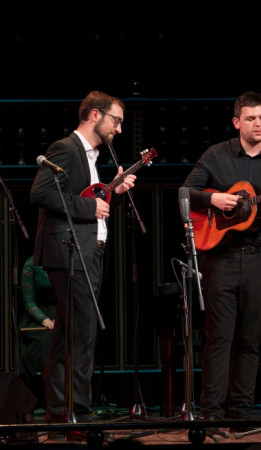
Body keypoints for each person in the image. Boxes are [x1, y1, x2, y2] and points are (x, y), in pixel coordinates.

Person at [181, 91, 261, 428]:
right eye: (251, 118)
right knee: (218, 336)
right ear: (237, 122)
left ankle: (240, 414)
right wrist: (215, 198)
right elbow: (185, 192)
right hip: (219, 258)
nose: (258, 124)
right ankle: (212, 414)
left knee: (250, 339)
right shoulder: (216, 155)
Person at [29, 90, 136, 424]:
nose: (119, 129)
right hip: (69, 251)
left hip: (87, 251)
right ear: (94, 115)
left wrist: (112, 195)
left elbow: (91, 205)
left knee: (67, 333)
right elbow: (41, 193)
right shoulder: (66, 148)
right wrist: (91, 206)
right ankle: (79, 415)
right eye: (115, 120)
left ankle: (61, 413)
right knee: (83, 331)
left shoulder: (90, 156)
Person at [17, 255, 57, 408]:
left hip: (62, 313)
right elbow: (29, 302)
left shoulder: (64, 261)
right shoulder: (30, 263)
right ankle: (54, 404)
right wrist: (45, 320)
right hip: (40, 316)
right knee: (45, 343)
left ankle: (67, 403)